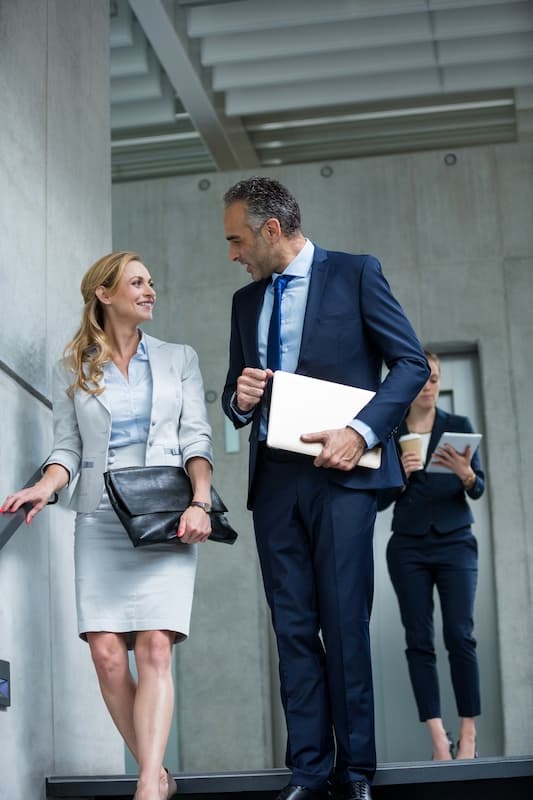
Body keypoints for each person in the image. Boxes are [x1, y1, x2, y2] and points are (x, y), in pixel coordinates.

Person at [221, 176, 429, 800]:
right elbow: (235, 390)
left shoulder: (356, 273)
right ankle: (308, 771)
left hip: (342, 477)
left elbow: (411, 363)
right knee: (292, 627)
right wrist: (238, 397)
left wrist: (362, 432)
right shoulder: (244, 302)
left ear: (271, 230)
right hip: (275, 482)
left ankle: (355, 771)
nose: (233, 254)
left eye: (236, 240)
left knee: (343, 623)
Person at [1, 251, 214, 800]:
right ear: (104, 293)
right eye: (137, 282)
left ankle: (147, 782)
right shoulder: (73, 365)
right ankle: (157, 771)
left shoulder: (178, 358)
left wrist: (201, 503)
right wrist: (45, 488)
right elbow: (66, 448)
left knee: (155, 648)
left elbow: (197, 438)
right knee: (106, 654)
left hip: (166, 515)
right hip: (98, 515)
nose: (150, 291)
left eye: (151, 283)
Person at [378, 349, 484, 761]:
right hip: (408, 546)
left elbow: (478, 488)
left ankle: (469, 737)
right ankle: (440, 740)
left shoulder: (458, 427)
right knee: (418, 640)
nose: (428, 385)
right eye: (422, 378)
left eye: (434, 379)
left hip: (456, 541)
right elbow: (378, 501)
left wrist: (466, 474)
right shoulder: (390, 432)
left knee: (461, 635)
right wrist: (398, 476)